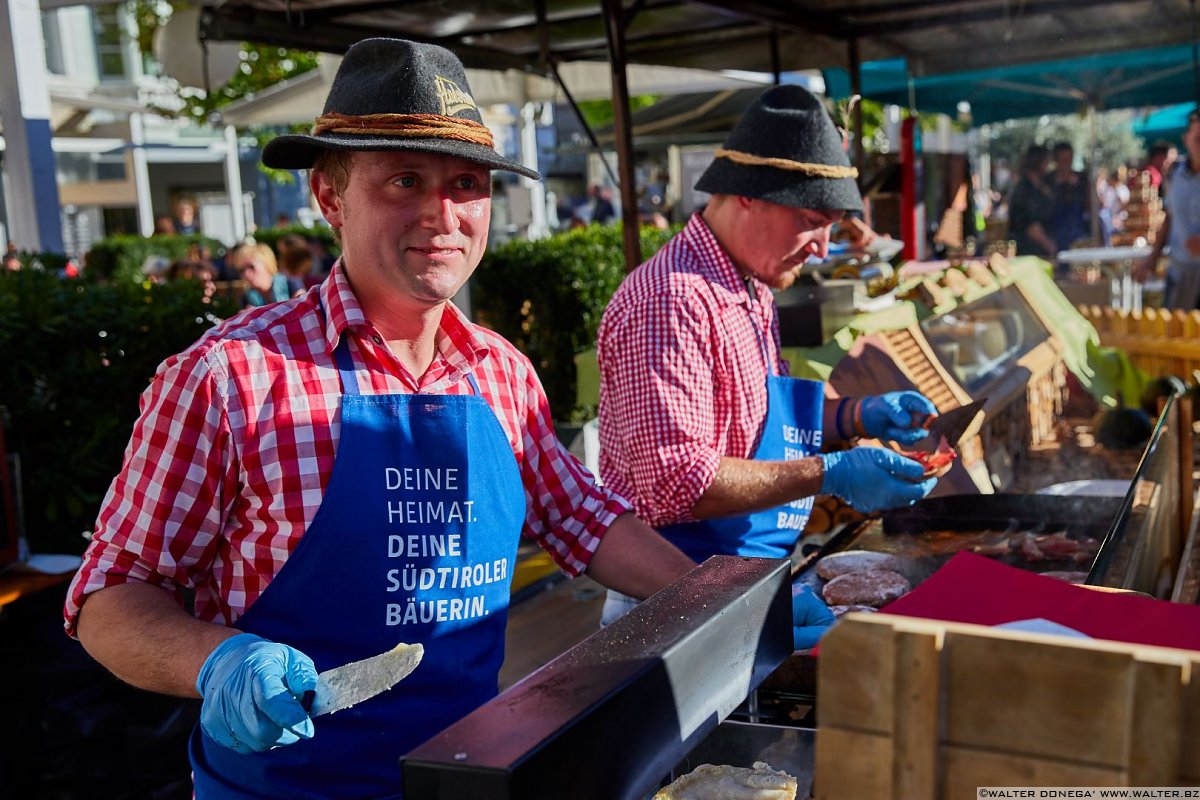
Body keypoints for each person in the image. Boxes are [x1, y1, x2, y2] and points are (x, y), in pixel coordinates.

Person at [63, 38, 698, 799]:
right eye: (405, 180)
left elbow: (583, 520)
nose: (443, 214)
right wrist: (216, 661)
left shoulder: (501, 372)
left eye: (467, 184)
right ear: (329, 197)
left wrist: (725, 597)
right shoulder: (229, 377)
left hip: (468, 778)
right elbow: (109, 597)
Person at [596, 85, 938, 629]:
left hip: (745, 581)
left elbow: (753, 426)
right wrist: (831, 473)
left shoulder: (749, 285)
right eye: (812, 219)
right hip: (674, 598)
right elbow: (677, 483)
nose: (824, 247)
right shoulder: (671, 300)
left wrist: (856, 415)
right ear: (747, 195)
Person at [1135, 110, 1200, 309]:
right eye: (1198, 139)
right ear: (1186, 139)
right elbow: (1169, 219)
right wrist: (1151, 260)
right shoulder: (1174, 174)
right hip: (1179, 275)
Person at [1006, 144, 1057, 260]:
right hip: (1028, 250)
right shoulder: (1024, 189)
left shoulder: (1042, 186)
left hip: (1040, 250)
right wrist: (1048, 245)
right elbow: (1029, 224)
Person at [1047, 142, 1090, 257]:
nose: (1066, 164)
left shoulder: (1082, 179)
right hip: (1055, 235)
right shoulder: (1048, 182)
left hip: (1078, 233)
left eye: (1068, 159)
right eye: (1063, 160)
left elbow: (1090, 205)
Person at [233, 242, 292, 307]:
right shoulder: (246, 298)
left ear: (267, 264)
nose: (246, 273)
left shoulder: (290, 283)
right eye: (241, 270)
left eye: (251, 267)